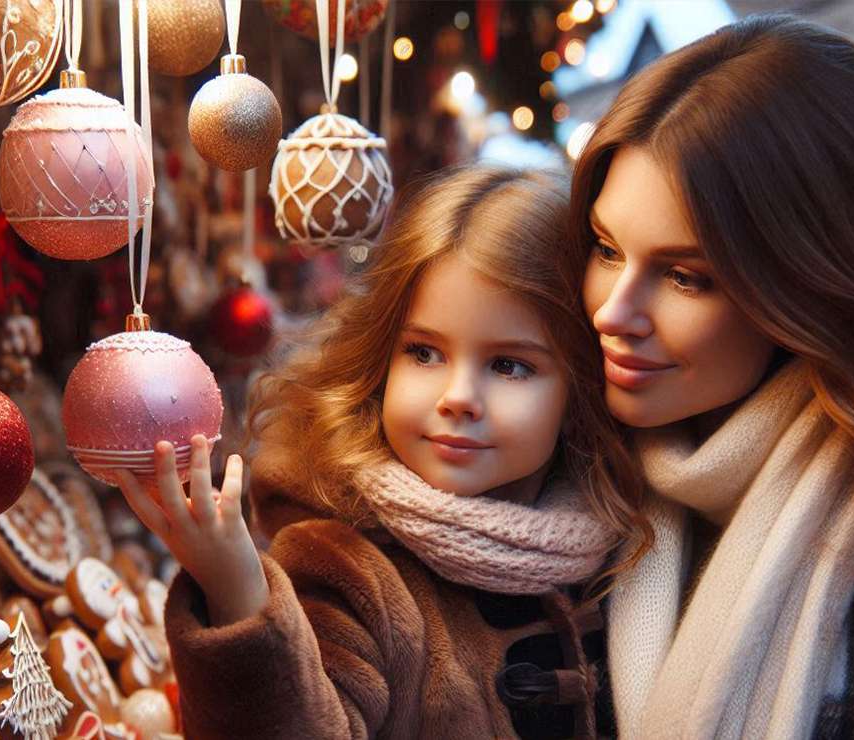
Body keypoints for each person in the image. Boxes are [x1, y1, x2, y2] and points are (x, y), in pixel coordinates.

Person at [115, 167, 646, 739]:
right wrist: (239, 595)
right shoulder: (345, 564)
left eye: (509, 365)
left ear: (580, 386)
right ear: (380, 356)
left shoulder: (621, 541)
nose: (458, 398)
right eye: (423, 352)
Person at [572, 14, 854, 739]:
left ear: (815, 285)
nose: (613, 310)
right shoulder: (562, 478)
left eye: (684, 276)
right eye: (606, 249)